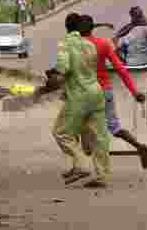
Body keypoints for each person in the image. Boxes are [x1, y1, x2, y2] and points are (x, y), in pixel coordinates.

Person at [35, 13, 111, 188]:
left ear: (66, 27)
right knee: (99, 137)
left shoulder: (66, 44)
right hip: (96, 92)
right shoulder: (89, 44)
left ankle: (80, 164)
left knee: (61, 132)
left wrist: (45, 88)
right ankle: (102, 176)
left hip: (79, 95)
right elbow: (87, 67)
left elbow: (63, 69)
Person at [82, 16, 147, 168]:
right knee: (115, 127)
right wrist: (134, 92)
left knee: (83, 126)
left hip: (87, 92)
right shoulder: (103, 44)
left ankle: (92, 159)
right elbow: (121, 70)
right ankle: (138, 146)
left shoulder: (78, 46)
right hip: (105, 91)